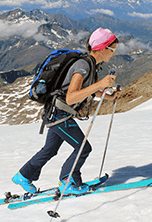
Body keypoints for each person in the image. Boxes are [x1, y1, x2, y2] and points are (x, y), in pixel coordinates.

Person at [12, 27, 120, 195]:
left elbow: (88, 90)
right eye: (112, 49)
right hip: (59, 114)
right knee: (83, 148)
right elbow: (71, 97)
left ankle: (23, 176)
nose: (113, 53)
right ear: (101, 48)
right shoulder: (83, 65)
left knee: (50, 150)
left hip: (57, 112)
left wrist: (109, 96)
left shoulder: (92, 66)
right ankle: (67, 181)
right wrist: (100, 85)